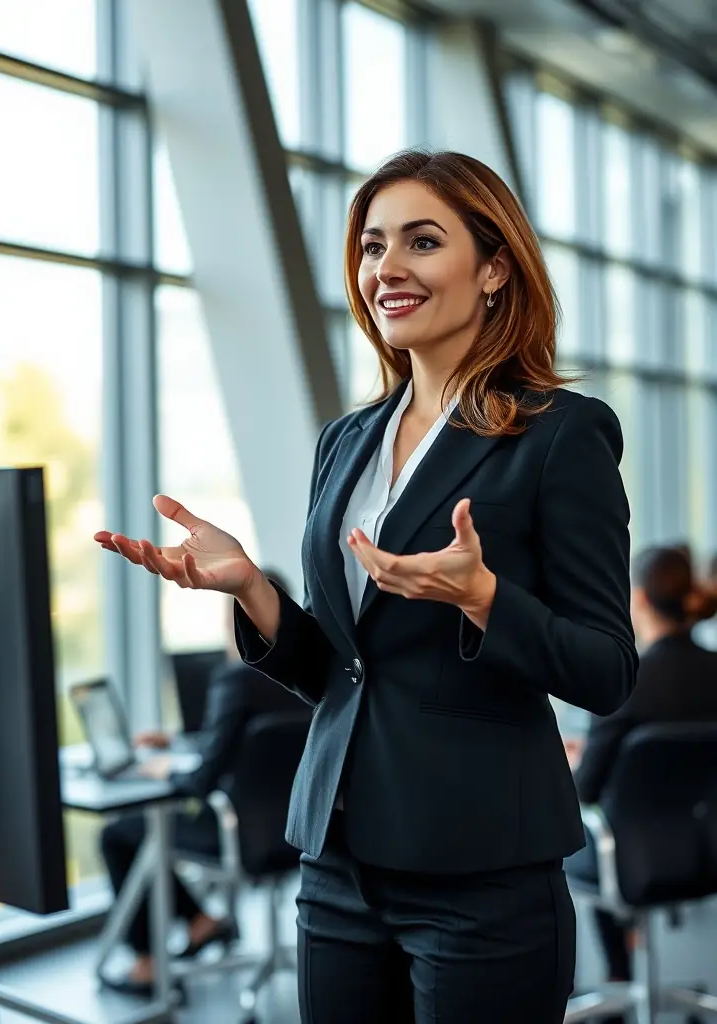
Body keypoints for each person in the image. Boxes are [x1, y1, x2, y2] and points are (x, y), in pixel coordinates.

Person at [95, 149, 638, 1023]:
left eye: (422, 242)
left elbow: (607, 671)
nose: (387, 268)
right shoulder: (345, 442)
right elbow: (345, 672)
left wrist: (484, 599)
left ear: (494, 267)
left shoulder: (558, 435)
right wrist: (254, 594)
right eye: (372, 246)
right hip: (337, 858)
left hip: (482, 868)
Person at [99, 569, 310, 998]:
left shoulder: (236, 678)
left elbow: (200, 780)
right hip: (299, 830)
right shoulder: (311, 672)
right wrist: (177, 741)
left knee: (120, 834)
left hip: (236, 831)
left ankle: (145, 965)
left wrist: (164, 769)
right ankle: (201, 920)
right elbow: (249, 744)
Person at [567, 545, 717, 1004]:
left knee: (588, 832)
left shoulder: (627, 682)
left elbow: (586, 789)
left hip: (626, 860)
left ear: (639, 598)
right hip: (703, 853)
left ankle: (616, 979)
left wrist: (576, 759)